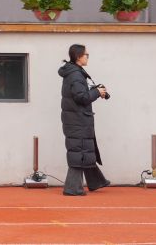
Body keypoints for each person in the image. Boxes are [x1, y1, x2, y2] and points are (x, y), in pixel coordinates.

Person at [59, 44, 110, 196]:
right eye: (86, 54)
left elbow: (80, 94)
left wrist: (95, 91)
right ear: (78, 56)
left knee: (84, 151)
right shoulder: (75, 74)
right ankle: (72, 188)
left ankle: (96, 181)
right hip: (78, 120)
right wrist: (96, 92)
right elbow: (81, 98)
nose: (88, 57)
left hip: (77, 119)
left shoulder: (75, 72)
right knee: (79, 153)